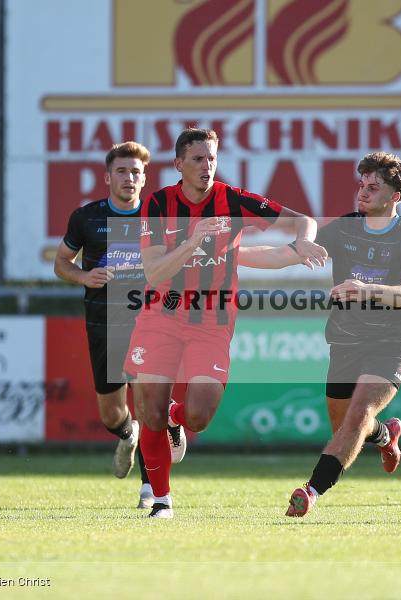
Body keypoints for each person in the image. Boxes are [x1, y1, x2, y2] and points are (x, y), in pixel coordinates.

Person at [125, 127, 328, 518]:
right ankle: (162, 501)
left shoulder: (231, 199)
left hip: (212, 320)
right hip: (161, 314)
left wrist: (302, 241)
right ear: (178, 164)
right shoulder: (158, 203)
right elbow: (153, 272)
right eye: (198, 159)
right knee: (149, 411)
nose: (207, 166)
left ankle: (175, 418)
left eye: (212, 158)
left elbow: (302, 219)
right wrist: (192, 241)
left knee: (199, 416)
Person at [284, 151, 401, 517]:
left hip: (395, 340)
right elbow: (289, 252)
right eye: (361, 184)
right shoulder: (345, 228)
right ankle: (384, 434)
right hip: (347, 338)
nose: (363, 192)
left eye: (373, 187)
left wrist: (367, 290)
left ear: (395, 196)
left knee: (358, 414)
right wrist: (236, 255)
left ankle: (311, 491)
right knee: (345, 426)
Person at [54, 141, 187, 509]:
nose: (129, 177)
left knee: (147, 403)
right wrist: (84, 276)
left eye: (136, 172)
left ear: (144, 178)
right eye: (122, 171)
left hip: (150, 322)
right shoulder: (86, 218)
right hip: (104, 324)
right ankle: (128, 436)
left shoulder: (158, 218)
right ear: (107, 177)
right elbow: (61, 262)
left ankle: (151, 488)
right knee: (112, 414)